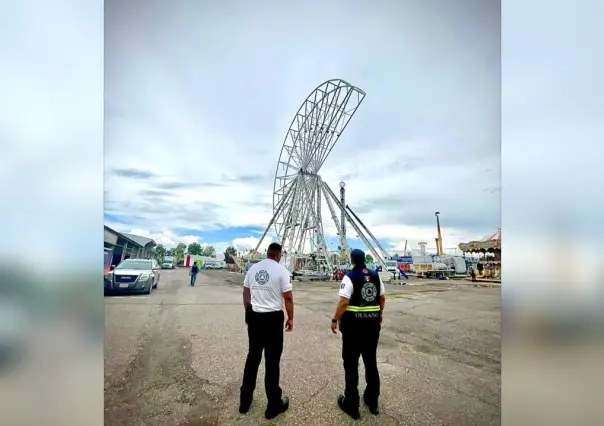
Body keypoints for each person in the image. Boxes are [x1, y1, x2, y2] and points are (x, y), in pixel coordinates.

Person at [239, 242, 294, 420]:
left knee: (253, 358)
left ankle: (244, 401)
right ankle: (273, 405)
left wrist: (248, 310)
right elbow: (288, 297)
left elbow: (245, 292)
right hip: (273, 318)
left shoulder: (254, 269)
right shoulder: (282, 271)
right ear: (278, 255)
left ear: (267, 253)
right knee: (272, 362)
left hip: (255, 316)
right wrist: (290, 317)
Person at [331, 249, 385, 420]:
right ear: (364, 260)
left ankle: (351, 404)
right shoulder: (376, 276)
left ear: (352, 261)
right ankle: (372, 400)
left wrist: (334, 319)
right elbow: (382, 298)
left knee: (351, 364)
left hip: (353, 328)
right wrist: (379, 313)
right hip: (372, 326)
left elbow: (344, 302)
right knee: (371, 362)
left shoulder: (349, 277)